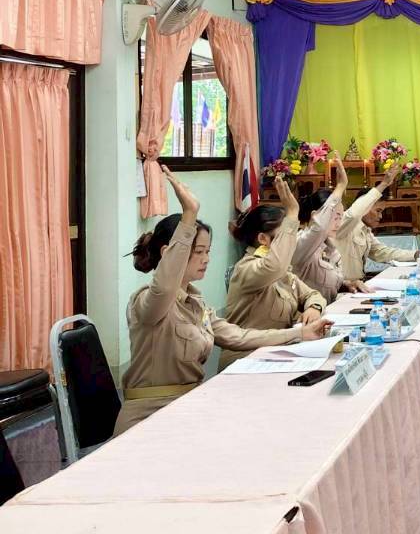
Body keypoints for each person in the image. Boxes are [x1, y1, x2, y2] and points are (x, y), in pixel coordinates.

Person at [116, 168, 332, 435]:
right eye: (198, 252)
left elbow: (238, 336)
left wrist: (300, 333)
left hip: (188, 406)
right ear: (168, 252)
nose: (206, 259)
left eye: (207, 251)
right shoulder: (148, 302)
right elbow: (164, 285)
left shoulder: (195, 303)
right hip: (150, 418)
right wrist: (189, 215)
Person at [222, 177, 330, 370]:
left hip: (279, 354)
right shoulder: (247, 268)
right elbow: (274, 267)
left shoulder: (283, 272)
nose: (290, 241)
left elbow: (313, 295)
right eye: (284, 237)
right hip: (247, 360)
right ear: (263, 239)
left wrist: (313, 308)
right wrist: (292, 213)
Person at [294, 160, 370, 301]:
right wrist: (340, 186)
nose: (339, 223)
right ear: (315, 216)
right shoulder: (301, 244)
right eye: (335, 217)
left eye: (340, 217)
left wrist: (346, 284)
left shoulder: (330, 246)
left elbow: (331, 282)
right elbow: (320, 227)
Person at [335, 163, 420, 281]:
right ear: (365, 208)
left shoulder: (365, 230)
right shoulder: (345, 225)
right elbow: (354, 213)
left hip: (360, 284)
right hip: (344, 286)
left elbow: (382, 252)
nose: (380, 216)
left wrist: (416, 254)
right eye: (378, 211)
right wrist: (384, 184)